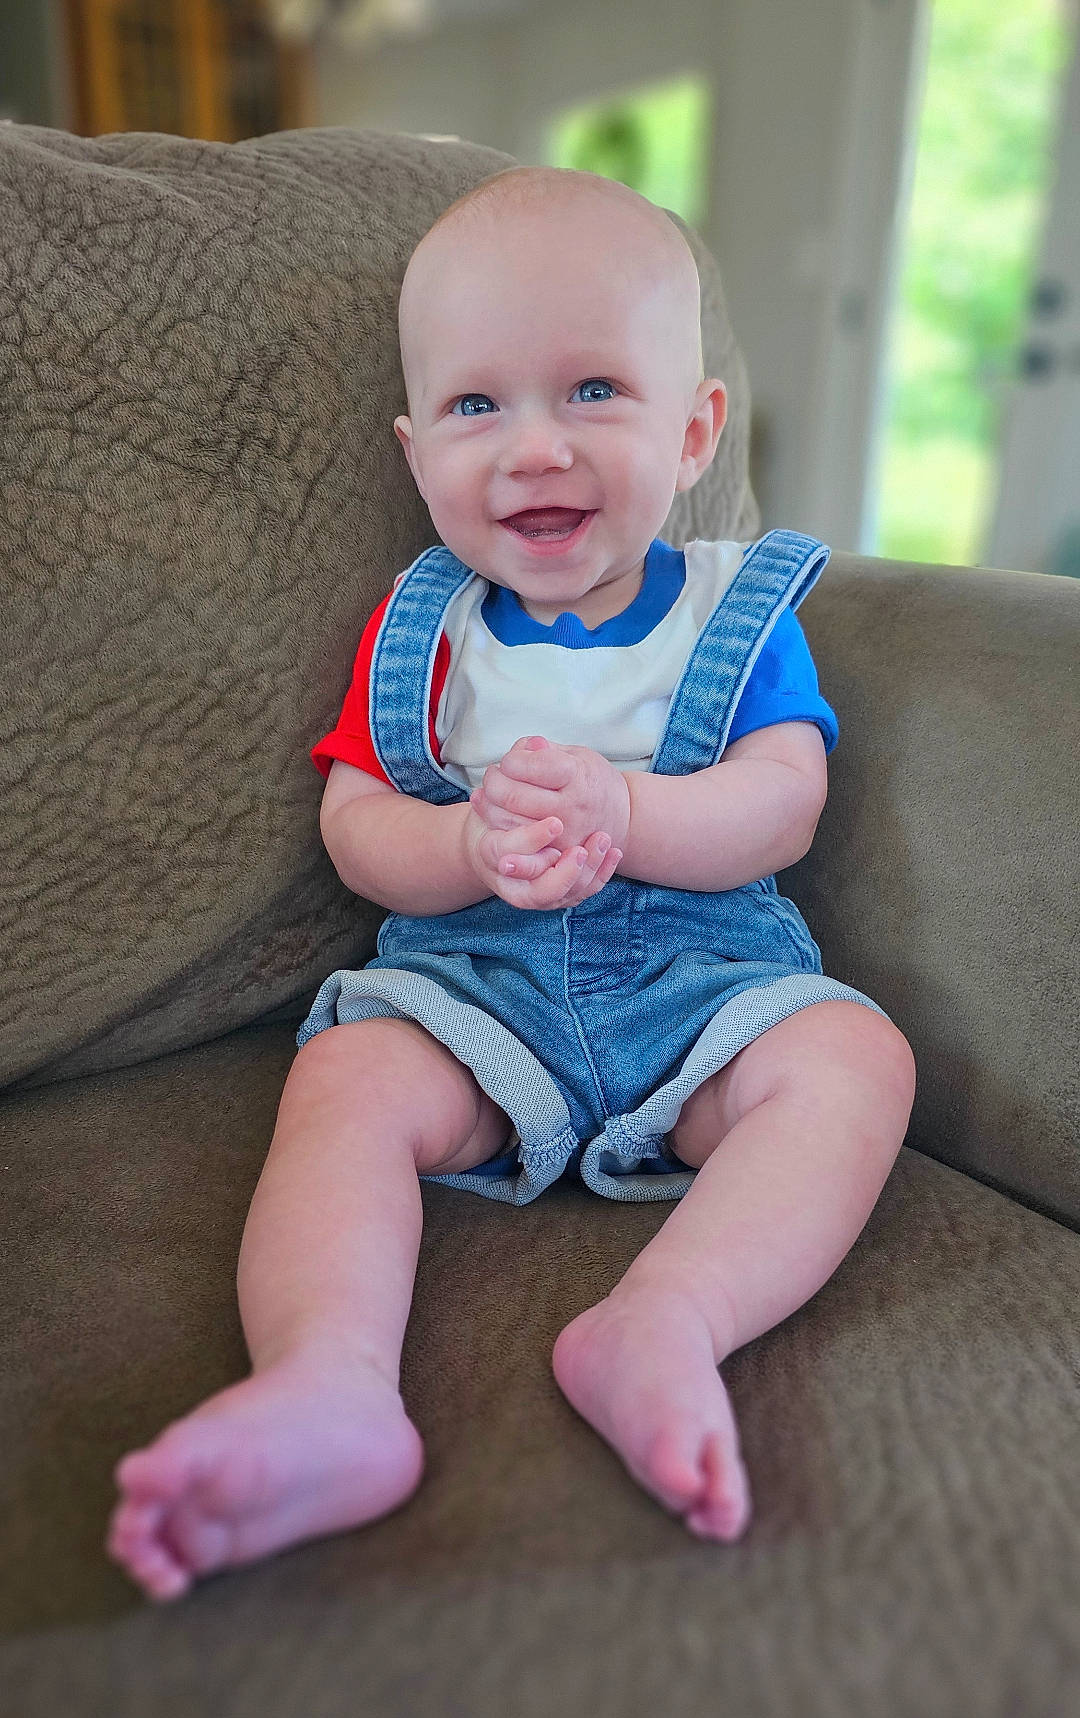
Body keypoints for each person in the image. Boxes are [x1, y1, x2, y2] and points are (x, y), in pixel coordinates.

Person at [107, 166, 916, 1602]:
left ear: (694, 429)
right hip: (469, 983)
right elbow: (358, 823)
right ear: (418, 453)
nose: (533, 449)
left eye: (594, 390)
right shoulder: (421, 633)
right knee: (348, 1080)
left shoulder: (739, 613)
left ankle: (664, 1321)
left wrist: (634, 811)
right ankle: (330, 1383)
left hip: (702, 981)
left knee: (855, 1058)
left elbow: (783, 806)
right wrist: (462, 848)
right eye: (480, 408)